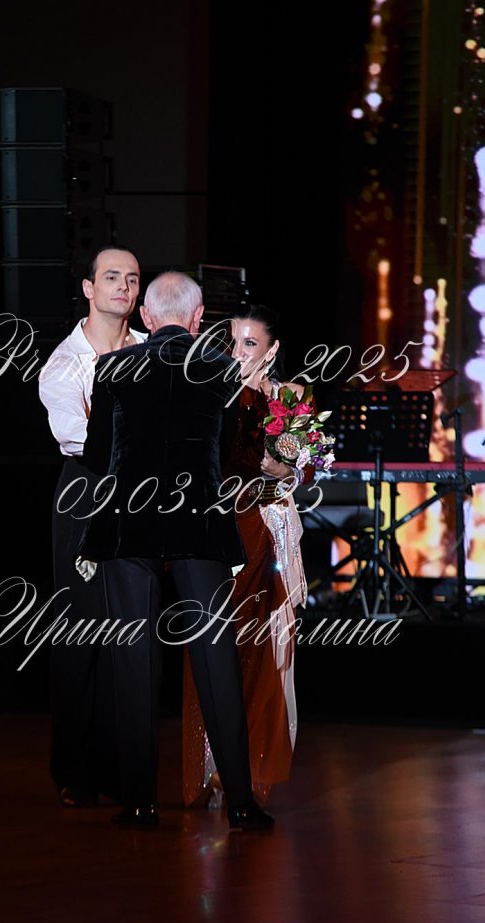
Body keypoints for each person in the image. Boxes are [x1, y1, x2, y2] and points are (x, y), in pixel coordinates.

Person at [75, 272, 275, 832]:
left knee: (132, 659)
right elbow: (231, 453)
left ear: (145, 317)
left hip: (128, 523)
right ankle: (241, 803)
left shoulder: (113, 368)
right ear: (198, 317)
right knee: (215, 657)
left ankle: (140, 802)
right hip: (198, 523)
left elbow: (96, 454)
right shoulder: (221, 370)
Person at [183, 305, 309, 807]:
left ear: (272, 350)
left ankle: (251, 767)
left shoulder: (289, 397)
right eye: (231, 342)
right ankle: (209, 765)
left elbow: (300, 465)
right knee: (217, 645)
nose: (237, 353)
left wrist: (285, 466)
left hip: (269, 528)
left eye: (250, 344)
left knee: (267, 647)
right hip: (222, 527)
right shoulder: (209, 393)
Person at [38, 245, 145, 807]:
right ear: (89, 288)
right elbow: (83, 440)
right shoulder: (65, 363)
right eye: (112, 277)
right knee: (82, 632)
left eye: (132, 279)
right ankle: (74, 768)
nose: (123, 287)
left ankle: (121, 767)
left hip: (140, 496)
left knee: (130, 632)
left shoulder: (149, 350)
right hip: (86, 490)